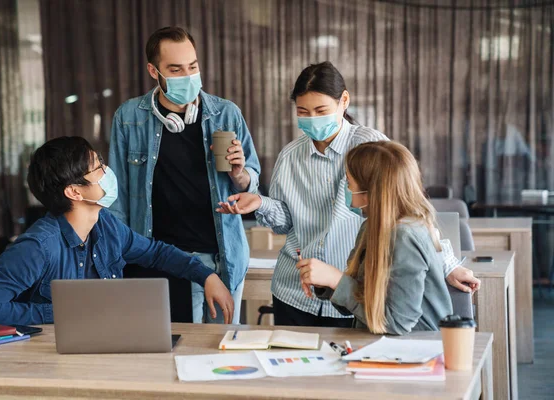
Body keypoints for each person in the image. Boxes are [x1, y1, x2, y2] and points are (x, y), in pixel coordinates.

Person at [217, 61, 480, 327]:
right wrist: (260, 203)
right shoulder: (290, 155)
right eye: (303, 112)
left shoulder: (370, 146)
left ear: (344, 101)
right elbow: (287, 221)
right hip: (298, 291)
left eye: (321, 110)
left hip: (354, 296)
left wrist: (447, 264)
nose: (312, 119)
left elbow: (407, 207)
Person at [0, 137, 234, 327]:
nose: (107, 171)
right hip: (48, 359)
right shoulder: (38, 246)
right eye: (98, 168)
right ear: (74, 191)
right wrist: (64, 313)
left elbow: (156, 253)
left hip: (103, 342)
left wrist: (206, 275)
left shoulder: (106, 226)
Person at [109, 26, 260, 324]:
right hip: (160, 259)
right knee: (169, 357)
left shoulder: (225, 113)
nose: (187, 76)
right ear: (154, 71)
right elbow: (117, 199)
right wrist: (121, 261)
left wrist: (240, 174)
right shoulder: (128, 118)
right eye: (175, 69)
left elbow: (251, 182)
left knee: (220, 354)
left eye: (192, 67)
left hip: (221, 258)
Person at [298, 141, 454, 334]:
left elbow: (396, 323)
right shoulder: (371, 227)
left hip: (415, 351)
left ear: (370, 192)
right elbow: (356, 306)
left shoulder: (405, 237)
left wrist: (337, 280)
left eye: (349, 183)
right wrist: (326, 282)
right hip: (378, 344)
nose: (346, 189)